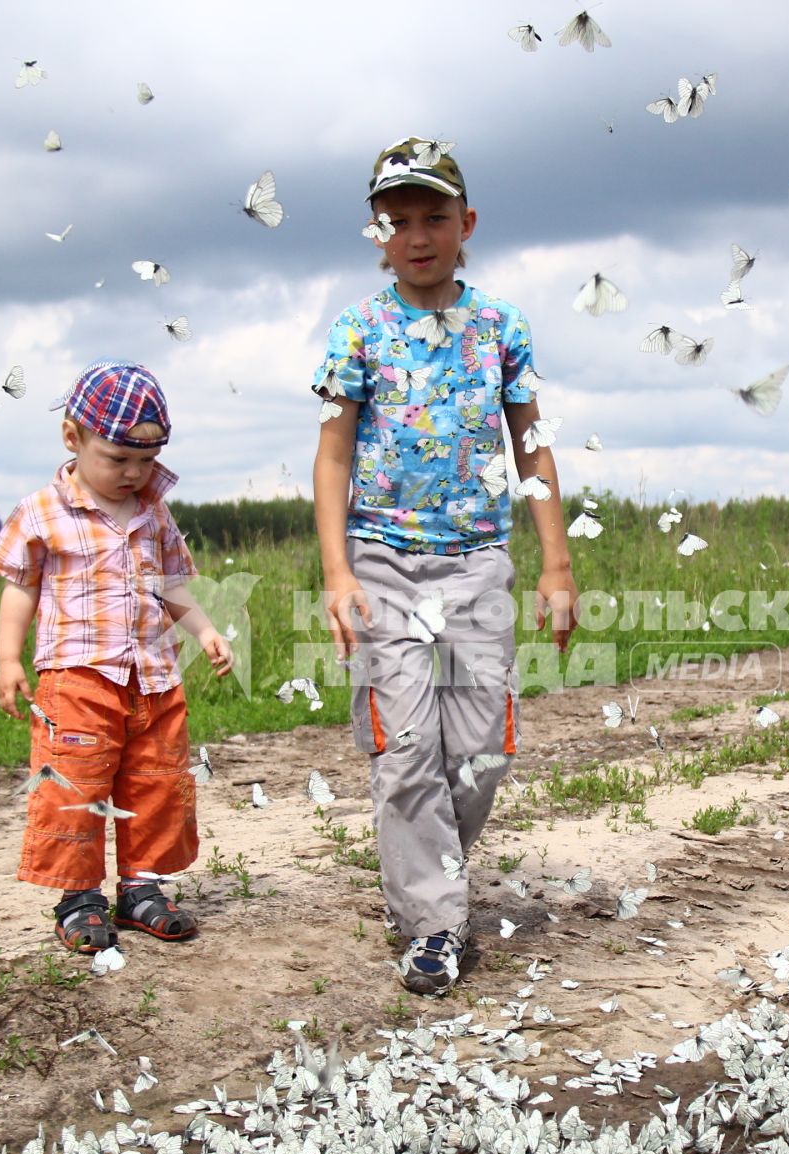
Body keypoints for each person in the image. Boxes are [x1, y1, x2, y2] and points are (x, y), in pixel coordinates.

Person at [311, 137, 578, 996]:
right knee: (406, 750)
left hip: (475, 567)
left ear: (468, 224)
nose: (417, 234)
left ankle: (422, 862)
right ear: (376, 233)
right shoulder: (359, 329)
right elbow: (331, 457)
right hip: (383, 563)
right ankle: (433, 923)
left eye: (435, 217)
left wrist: (555, 565)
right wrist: (337, 574)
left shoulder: (501, 326)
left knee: (478, 752)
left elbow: (530, 445)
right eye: (397, 220)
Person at [0, 359, 233, 953]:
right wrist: (8, 659)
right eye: (117, 459)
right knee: (76, 785)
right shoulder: (43, 512)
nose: (132, 473)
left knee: (156, 782)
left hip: (152, 679)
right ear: (74, 438)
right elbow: (19, 587)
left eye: (145, 461)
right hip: (77, 679)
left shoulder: (153, 513)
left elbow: (170, 586)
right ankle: (79, 898)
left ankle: (143, 889)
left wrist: (203, 632)